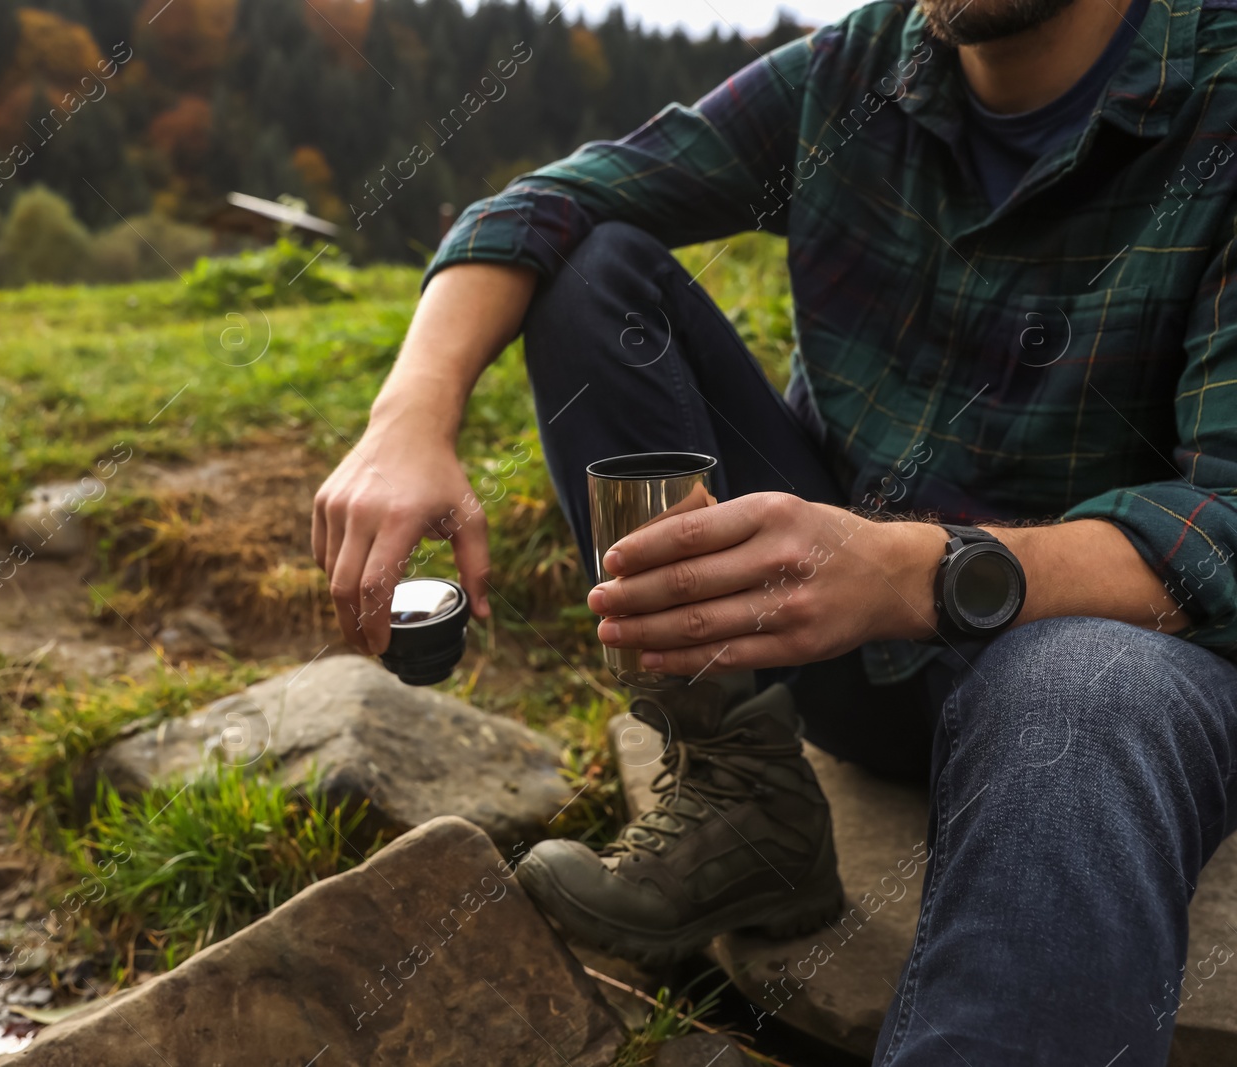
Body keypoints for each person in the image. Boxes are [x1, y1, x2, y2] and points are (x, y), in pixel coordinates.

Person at [311, 0, 1237, 1062]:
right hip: (842, 648)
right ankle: (744, 795)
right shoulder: (855, 76)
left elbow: (1228, 525)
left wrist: (907, 569)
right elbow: (548, 202)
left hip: (1114, 661)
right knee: (592, 271)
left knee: (1077, 687)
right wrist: (407, 420)